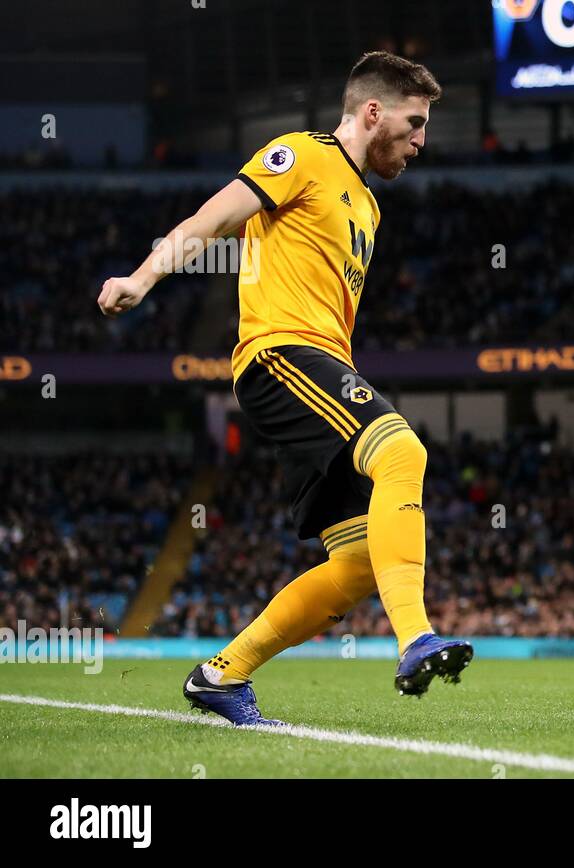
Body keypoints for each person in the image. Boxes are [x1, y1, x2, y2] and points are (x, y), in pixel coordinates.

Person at [97, 52, 472, 725]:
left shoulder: (369, 206)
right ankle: (416, 638)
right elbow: (211, 221)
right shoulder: (300, 154)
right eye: (415, 124)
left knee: (359, 563)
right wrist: (140, 279)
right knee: (401, 452)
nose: (422, 140)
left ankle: (222, 676)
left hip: (322, 367)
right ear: (372, 112)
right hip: (280, 356)